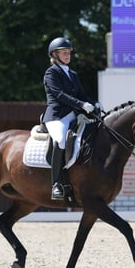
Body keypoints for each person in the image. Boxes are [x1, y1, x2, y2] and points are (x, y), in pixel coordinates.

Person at [43, 36, 101, 200]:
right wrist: (82, 105)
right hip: (56, 116)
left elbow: (82, 94)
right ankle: (56, 184)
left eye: (69, 53)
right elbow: (60, 95)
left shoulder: (73, 74)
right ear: (55, 55)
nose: (68, 56)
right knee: (61, 140)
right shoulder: (51, 73)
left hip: (73, 116)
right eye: (64, 53)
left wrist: (95, 103)